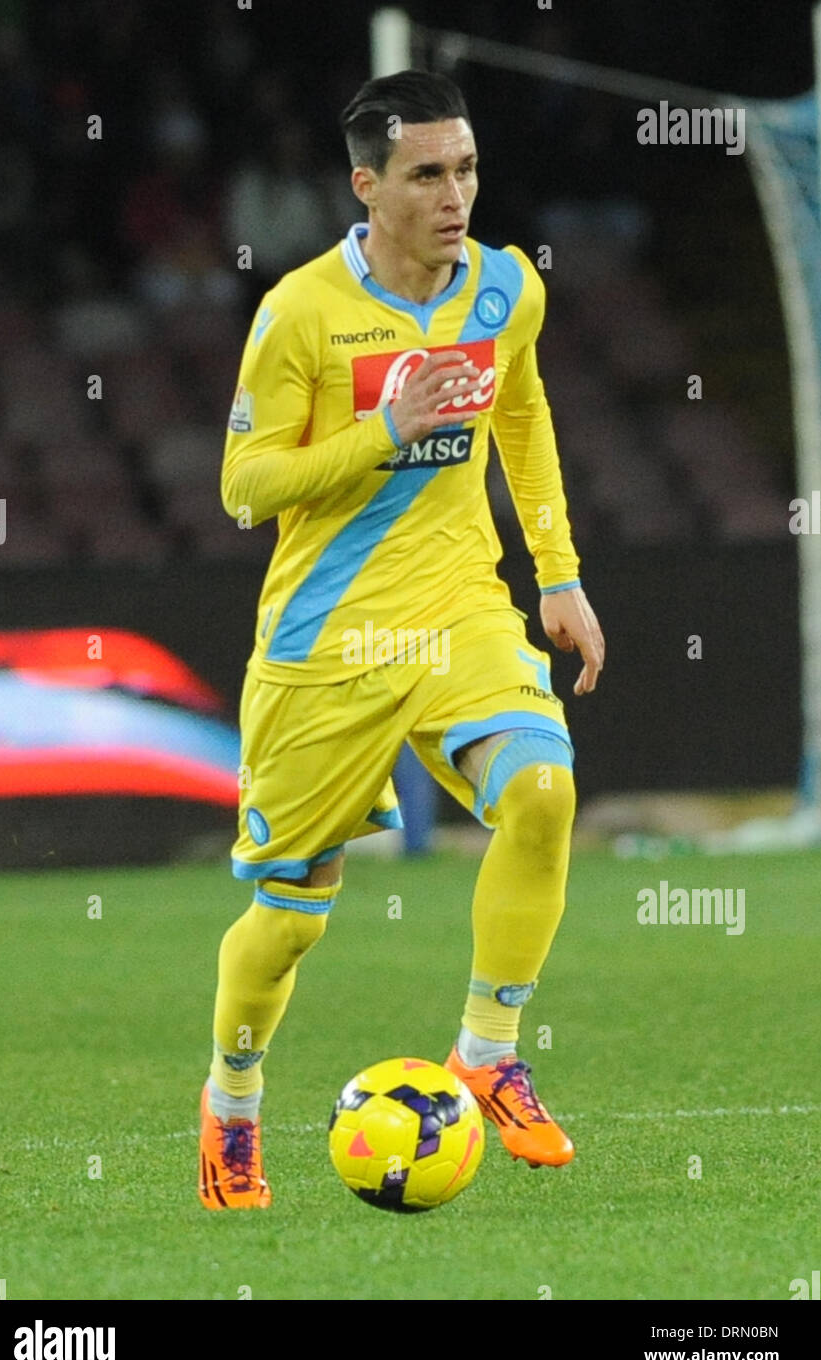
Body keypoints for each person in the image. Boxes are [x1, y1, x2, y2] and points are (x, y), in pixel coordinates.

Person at [199, 70, 605, 1209]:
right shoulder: (301, 310)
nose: (453, 193)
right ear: (364, 184)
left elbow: (520, 415)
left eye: (465, 168)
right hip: (326, 637)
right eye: (426, 173)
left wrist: (558, 575)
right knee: (288, 920)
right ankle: (232, 1101)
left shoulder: (504, 289)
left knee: (542, 792)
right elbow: (243, 484)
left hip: (458, 606)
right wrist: (384, 430)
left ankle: (485, 1050)